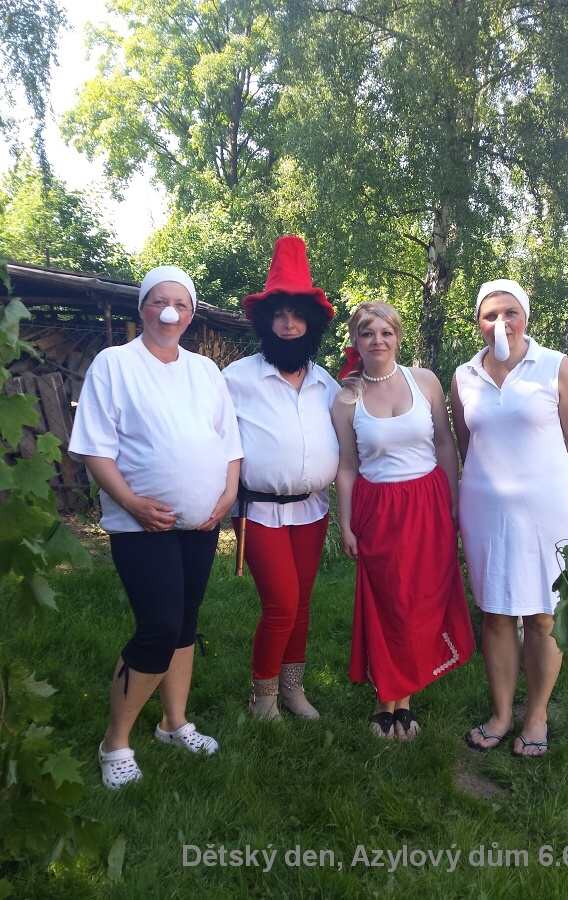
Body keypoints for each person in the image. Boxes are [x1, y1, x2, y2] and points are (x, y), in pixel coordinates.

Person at [69, 265, 242, 789]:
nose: (170, 312)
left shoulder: (205, 371)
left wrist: (227, 495)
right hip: (140, 525)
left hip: (201, 523)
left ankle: (173, 723)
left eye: (181, 304)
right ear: (142, 307)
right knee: (159, 627)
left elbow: (229, 443)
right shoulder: (115, 364)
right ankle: (115, 742)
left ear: (191, 314)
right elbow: (95, 447)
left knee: (185, 622)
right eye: (159, 302)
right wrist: (131, 503)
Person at [451, 278, 568, 757]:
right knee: (495, 613)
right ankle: (501, 713)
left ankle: (536, 715)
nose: (501, 322)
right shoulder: (464, 375)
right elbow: (467, 444)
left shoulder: (555, 366)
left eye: (510, 312)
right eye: (489, 315)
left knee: (542, 616)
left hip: (546, 511)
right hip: (485, 511)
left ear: (525, 317)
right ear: (478, 323)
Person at [332, 302, 474, 741]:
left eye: (386, 332)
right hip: (378, 510)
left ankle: (405, 698)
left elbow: (446, 444)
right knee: (388, 602)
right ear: (356, 341)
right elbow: (347, 466)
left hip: (427, 503)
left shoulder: (425, 381)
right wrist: (346, 523)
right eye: (367, 333)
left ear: (398, 336)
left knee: (420, 599)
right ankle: (384, 699)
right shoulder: (346, 399)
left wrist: (452, 500)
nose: (377, 340)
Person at [223, 235, 339, 721]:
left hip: (312, 509)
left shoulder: (326, 383)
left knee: (303, 603)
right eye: (280, 315)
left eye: (298, 316)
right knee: (282, 604)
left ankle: (293, 689)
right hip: (260, 511)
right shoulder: (236, 379)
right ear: (266, 322)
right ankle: (264, 697)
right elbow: (215, 443)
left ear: (311, 323)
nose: (289, 324)